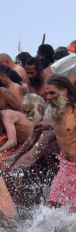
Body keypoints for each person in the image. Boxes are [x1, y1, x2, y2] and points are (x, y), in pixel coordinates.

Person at [44, 76, 76, 212]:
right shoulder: (55, 113)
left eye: (52, 93)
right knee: (53, 206)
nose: (48, 97)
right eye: (46, 93)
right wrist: (45, 126)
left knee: (72, 212)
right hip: (65, 166)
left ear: (64, 92)